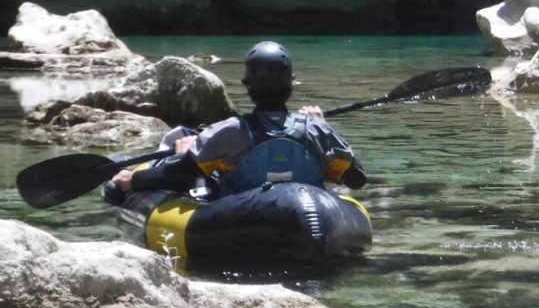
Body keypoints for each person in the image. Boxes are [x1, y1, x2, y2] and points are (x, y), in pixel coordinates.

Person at [108, 41, 366, 199]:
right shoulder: (317, 130)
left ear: (247, 87)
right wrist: (322, 125)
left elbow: (178, 177)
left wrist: (132, 179)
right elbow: (357, 179)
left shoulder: (229, 132)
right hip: (308, 217)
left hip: (243, 223)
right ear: (291, 85)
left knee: (191, 153)